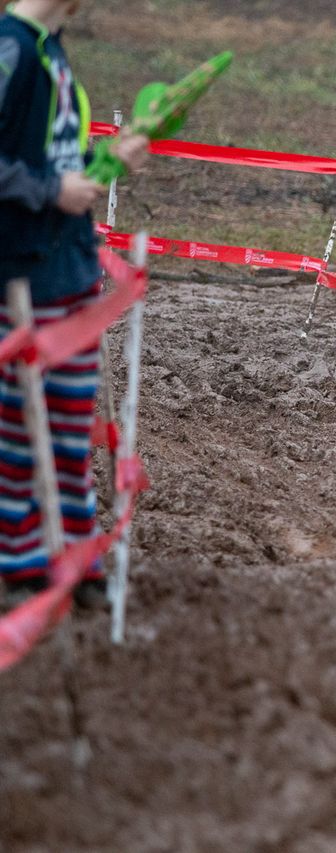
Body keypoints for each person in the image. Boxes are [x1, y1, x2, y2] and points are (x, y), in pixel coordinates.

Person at [0, 0, 149, 606]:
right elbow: (36, 178)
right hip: (19, 275)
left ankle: (69, 548)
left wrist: (105, 163)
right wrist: (48, 190)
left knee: (68, 424)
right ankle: (17, 560)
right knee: (16, 431)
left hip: (70, 271)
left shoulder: (50, 49)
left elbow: (55, 163)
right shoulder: (10, 48)